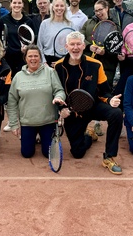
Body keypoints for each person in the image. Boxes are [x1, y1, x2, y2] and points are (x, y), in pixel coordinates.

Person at [54, 31, 123, 175]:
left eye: (78, 44)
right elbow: (55, 92)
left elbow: (105, 91)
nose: (75, 48)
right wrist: (61, 109)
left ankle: (109, 157)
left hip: (93, 106)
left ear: (84, 45)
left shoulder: (96, 65)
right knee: (77, 153)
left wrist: (111, 100)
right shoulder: (58, 67)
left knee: (116, 113)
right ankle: (88, 136)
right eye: (72, 44)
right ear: (66, 46)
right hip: (73, 112)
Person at [6, 44, 66, 159]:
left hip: (48, 121)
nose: (33, 59)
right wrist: (14, 124)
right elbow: (12, 101)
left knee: (47, 154)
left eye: (36, 56)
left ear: (40, 58)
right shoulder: (18, 77)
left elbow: (60, 90)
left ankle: (43, 138)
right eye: (30, 56)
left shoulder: (50, 72)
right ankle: (34, 137)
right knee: (27, 154)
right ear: (25, 58)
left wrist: (59, 97)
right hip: (28, 122)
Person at [81, 0, 120, 86]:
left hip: (107, 68)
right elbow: (79, 38)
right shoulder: (88, 23)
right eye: (96, 11)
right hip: (89, 65)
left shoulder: (115, 26)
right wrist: (89, 46)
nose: (98, 13)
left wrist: (104, 52)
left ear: (106, 8)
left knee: (104, 94)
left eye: (100, 10)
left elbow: (118, 49)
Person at [0, 0, 31, 74]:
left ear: (23, 5)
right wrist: (1, 50)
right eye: (14, 3)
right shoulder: (3, 20)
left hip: (23, 59)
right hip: (7, 59)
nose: (17, 5)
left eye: (19, 3)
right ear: (10, 4)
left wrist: (27, 48)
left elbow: (33, 41)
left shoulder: (28, 21)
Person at [37, 0, 73, 66]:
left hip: (65, 62)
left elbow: (73, 47)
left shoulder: (71, 25)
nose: (59, 8)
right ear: (52, 7)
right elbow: (39, 46)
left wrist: (64, 61)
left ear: (65, 8)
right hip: (47, 62)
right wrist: (44, 63)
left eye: (62, 6)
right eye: (56, 5)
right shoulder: (45, 24)